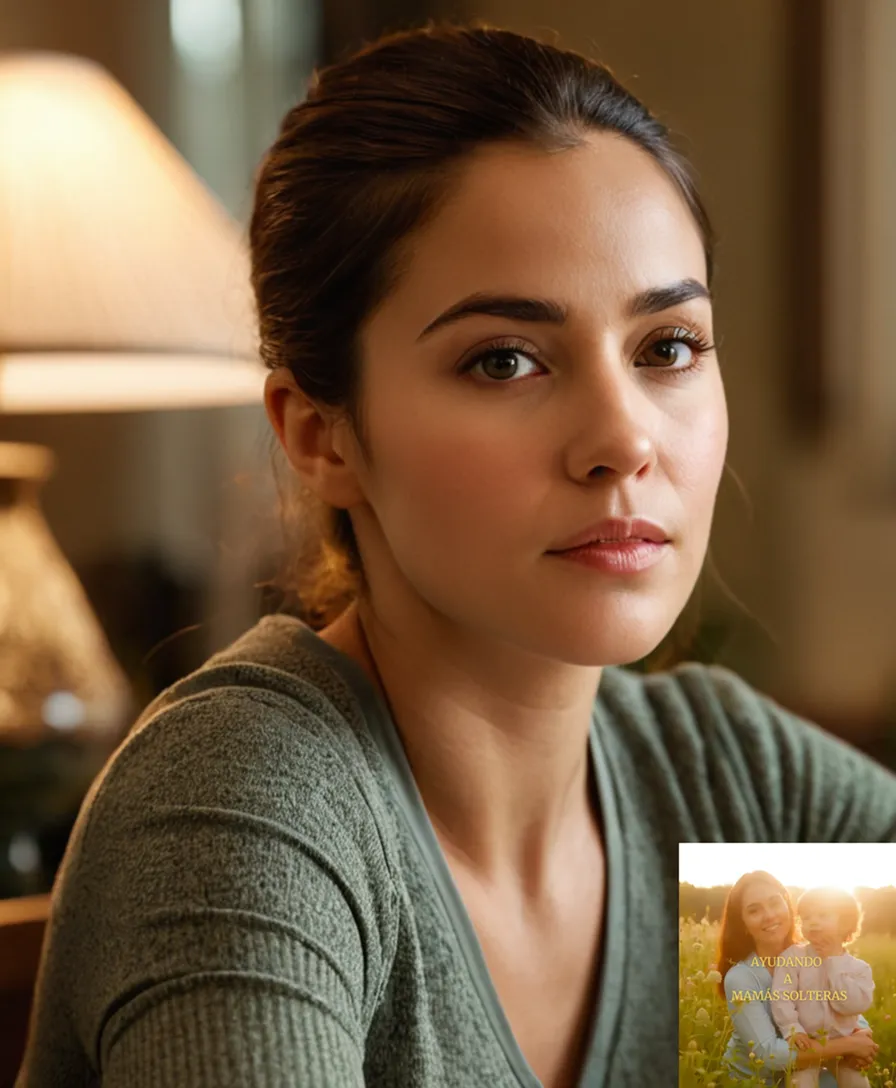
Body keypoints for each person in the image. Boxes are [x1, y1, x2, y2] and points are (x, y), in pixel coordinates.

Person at [16, 19, 896, 1088]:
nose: (622, 438)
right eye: (505, 359)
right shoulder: (241, 802)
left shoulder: (740, 798)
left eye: (666, 346)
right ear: (320, 433)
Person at [718, 872, 879, 1086]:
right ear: (743, 924)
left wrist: (862, 1033)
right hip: (756, 1080)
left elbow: (838, 1003)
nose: (769, 915)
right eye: (754, 910)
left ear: (788, 906)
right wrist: (849, 1045)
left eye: (775, 903)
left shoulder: (815, 953)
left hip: (808, 1065)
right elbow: (769, 1054)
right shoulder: (740, 978)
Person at [770, 886, 875, 1087]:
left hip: (843, 1048)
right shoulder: (792, 957)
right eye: (807, 917)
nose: (813, 922)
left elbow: (852, 1006)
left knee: (858, 1083)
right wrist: (793, 1030)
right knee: (800, 1083)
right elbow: (781, 997)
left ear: (845, 923)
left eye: (823, 915)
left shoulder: (859, 969)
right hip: (807, 1044)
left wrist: (833, 961)